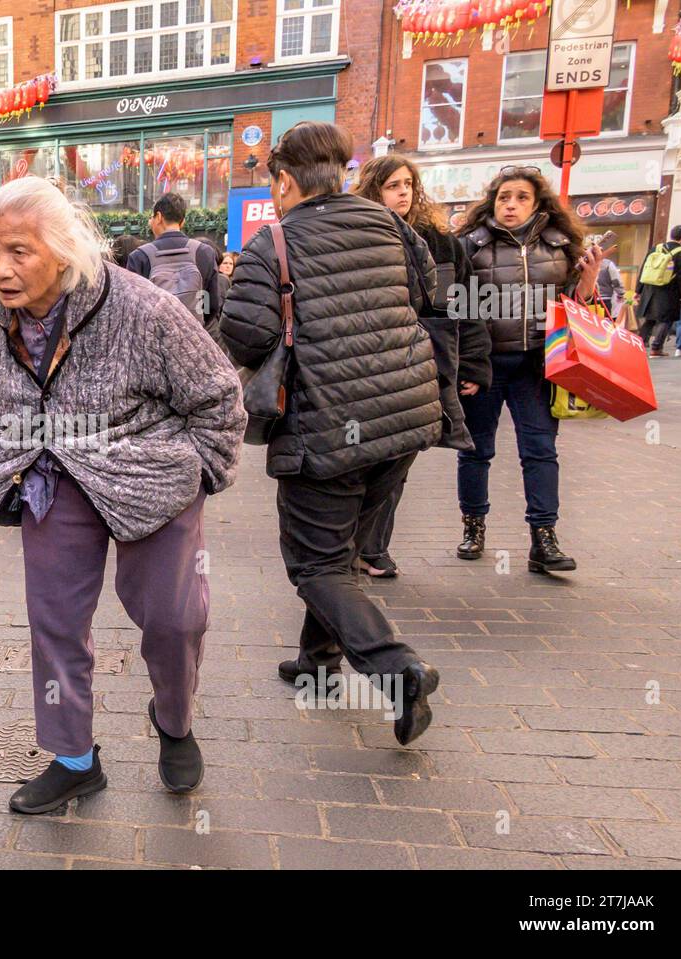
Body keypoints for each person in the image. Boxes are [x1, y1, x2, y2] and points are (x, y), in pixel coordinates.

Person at [0, 177, 246, 813]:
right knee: (55, 623)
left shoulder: (144, 310)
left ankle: (175, 719)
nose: (0, 269)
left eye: (18, 251)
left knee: (174, 619)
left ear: (64, 249)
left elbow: (218, 396)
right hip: (52, 474)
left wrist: (199, 472)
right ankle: (74, 759)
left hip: (151, 477)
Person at [220, 121, 443, 746]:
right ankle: (317, 663)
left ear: (285, 181)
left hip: (326, 427)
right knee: (340, 552)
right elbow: (430, 296)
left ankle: (399, 673)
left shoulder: (276, 244)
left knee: (316, 563)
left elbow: (246, 335)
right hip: (405, 417)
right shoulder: (392, 226)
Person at [456, 166, 602, 573]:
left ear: (537, 204)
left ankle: (544, 538)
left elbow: (577, 306)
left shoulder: (560, 247)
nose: (511, 205)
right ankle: (473, 526)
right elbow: (457, 311)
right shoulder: (472, 245)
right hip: (485, 367)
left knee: (540, 451)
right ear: (493, 201)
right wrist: (467, 365)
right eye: (504, 197)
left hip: (537, 365)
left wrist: (587, 283)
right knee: (476, 450)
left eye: (521, 197)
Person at [351, 154, 487, 578]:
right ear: (374, 189)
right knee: (366, 457)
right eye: (393, 185)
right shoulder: (359, 236)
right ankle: (355, 546)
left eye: (408, 183)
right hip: (373, 363)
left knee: (402, 454)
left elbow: (464, 306)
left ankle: (371, 547)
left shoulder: (441, 241)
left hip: (429, 361)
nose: (404, 192)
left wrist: (474, 364)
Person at [126, 192, 223, 335]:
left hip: (154, 342)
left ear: (158, 217)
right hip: (194, 340)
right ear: (182, 221)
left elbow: (132, 310)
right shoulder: (204, 252)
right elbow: (212, 305)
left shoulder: (139, 257)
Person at [636, 225, 681, 357]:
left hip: (649, 289)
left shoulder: (656, 248)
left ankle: (638, 344)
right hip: (668, 291)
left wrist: (638, 290)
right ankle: (656, 348)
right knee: (666, 320)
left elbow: (644, 269)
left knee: (649, 319)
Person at [595, 254, 626, 321]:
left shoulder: (583, 262)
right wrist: (621, 294)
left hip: (587, 299)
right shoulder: (607, 264)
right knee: (604, 325)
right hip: (604, 300)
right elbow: (616, 281)